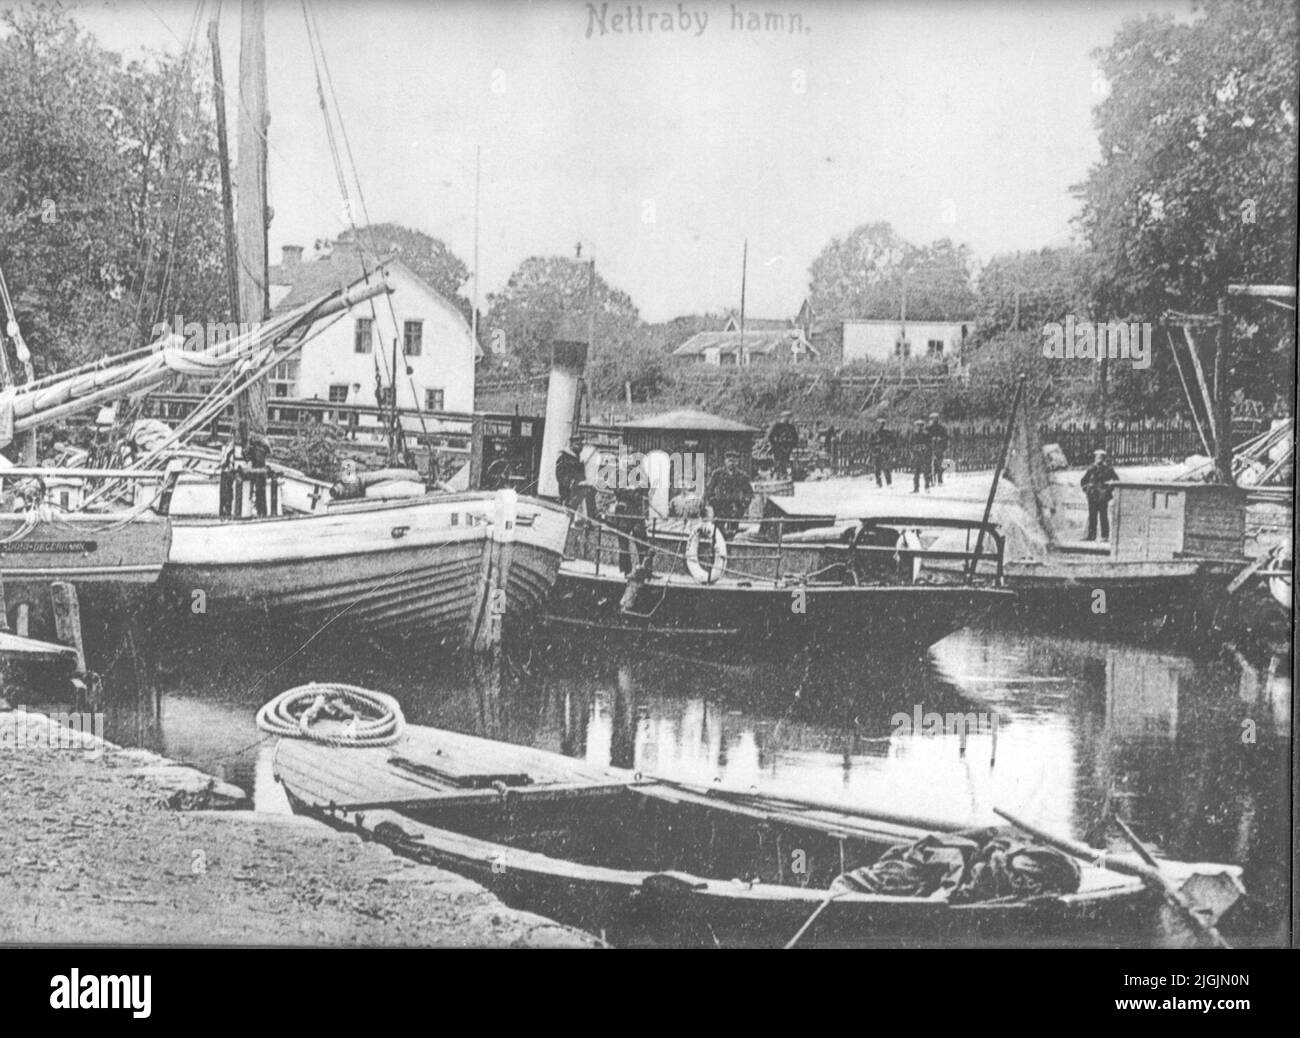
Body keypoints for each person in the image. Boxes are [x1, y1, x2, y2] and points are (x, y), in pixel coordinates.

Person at [705, 449, 754, 538]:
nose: (732, 463)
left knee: (733, 531)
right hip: (720, 507)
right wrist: (713, 502)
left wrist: (744, 504)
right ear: (725, 461)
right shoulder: (718, 474)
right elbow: (709, 490)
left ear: (738, 462)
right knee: (718, 531)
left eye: (734, 461)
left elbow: (749, 493)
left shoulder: (742, 476)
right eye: (730, 460)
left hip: (735, 507)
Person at [1081, 448, 1118, 541]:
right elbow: (1083, 481)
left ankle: (1104, 536)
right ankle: (1091, 536)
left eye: (1101, 457)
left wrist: (1108, 490)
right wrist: (1087, 490)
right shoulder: (1091, 469)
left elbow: (1116, 480)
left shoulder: (1108, 470)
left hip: (1103, 496)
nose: (1099, 459)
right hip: (1092, 496)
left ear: (1104, 459)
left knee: (1103, 516)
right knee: (1092, 515)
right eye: (1097, 457)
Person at [766, 411, 799, 479]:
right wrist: (774, 444)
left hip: (787, 447)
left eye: (789, 417)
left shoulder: (791, 427)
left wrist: (792, 446)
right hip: (778, 447)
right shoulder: (777, 425)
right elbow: (770, 436)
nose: (788, 419)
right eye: (787, 417)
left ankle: (784, 475)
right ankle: (777, 475)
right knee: (778, 462)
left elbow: (795, 438)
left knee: (785, 461)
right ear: (783, 417)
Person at [555, 435, 585, 507]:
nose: (580, 447)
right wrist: (567, 483)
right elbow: (559, 474)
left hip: (576, 491)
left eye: (581, 445)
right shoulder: (564, 457)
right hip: (566, 491)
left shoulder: (578, 457)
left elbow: (581, 474)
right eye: (577, 444)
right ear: (571, 445)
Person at [925, 412, 949, 486]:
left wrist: (943, 447)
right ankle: (932, 480)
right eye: (933, 419)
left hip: (939, 448)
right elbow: (925, 438)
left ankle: (939, 480)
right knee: (930, 465)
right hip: (930, 448)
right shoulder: (928, 428)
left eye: (936, 418)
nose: (934, 420)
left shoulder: (942, 428)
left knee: (939, 465)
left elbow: (946, 438)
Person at [868, 417, 893, 488]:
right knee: (877, 469)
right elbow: (870, 443)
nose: (881, 426)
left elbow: (892, 442)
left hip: (884, 453)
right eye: (879, 424)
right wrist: (875, 446)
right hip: (876, 453)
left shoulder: (887, 433)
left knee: (886, 468)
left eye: (882, 424)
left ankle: (889, 483)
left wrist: (887, 447)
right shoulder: (874, 434)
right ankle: (878, 483)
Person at [909, 419, 932, 493]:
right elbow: (910, 445)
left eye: (921, 426)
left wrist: (924, 448)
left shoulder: (926, 435)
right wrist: (913, 452)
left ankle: (927, 487)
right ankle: (916, 488)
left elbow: (930, 445)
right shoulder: (913, 435)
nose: (919, 427)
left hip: (925, 456)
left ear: (923, 427)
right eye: (918, 426)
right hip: (916, 456)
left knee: (926, 472)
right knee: (916, 473)